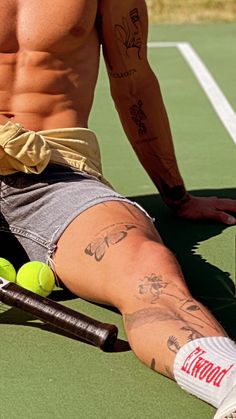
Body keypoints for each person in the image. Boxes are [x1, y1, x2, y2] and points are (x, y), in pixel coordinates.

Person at [0, 1, 236, 418]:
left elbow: (133, 84)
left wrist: (176, 195)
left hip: (55, 174)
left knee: (147, 267)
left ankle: (229, 383)